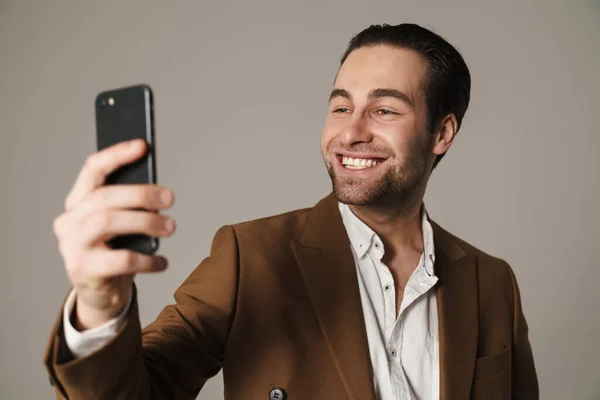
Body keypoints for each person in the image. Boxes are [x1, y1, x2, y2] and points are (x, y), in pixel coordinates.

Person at [44, 23, 538, 399]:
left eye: (385, 109)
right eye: (341, 107)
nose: (351, 132)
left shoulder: (494, 283)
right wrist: (99, 306)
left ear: (443, 133)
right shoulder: (251, 255)